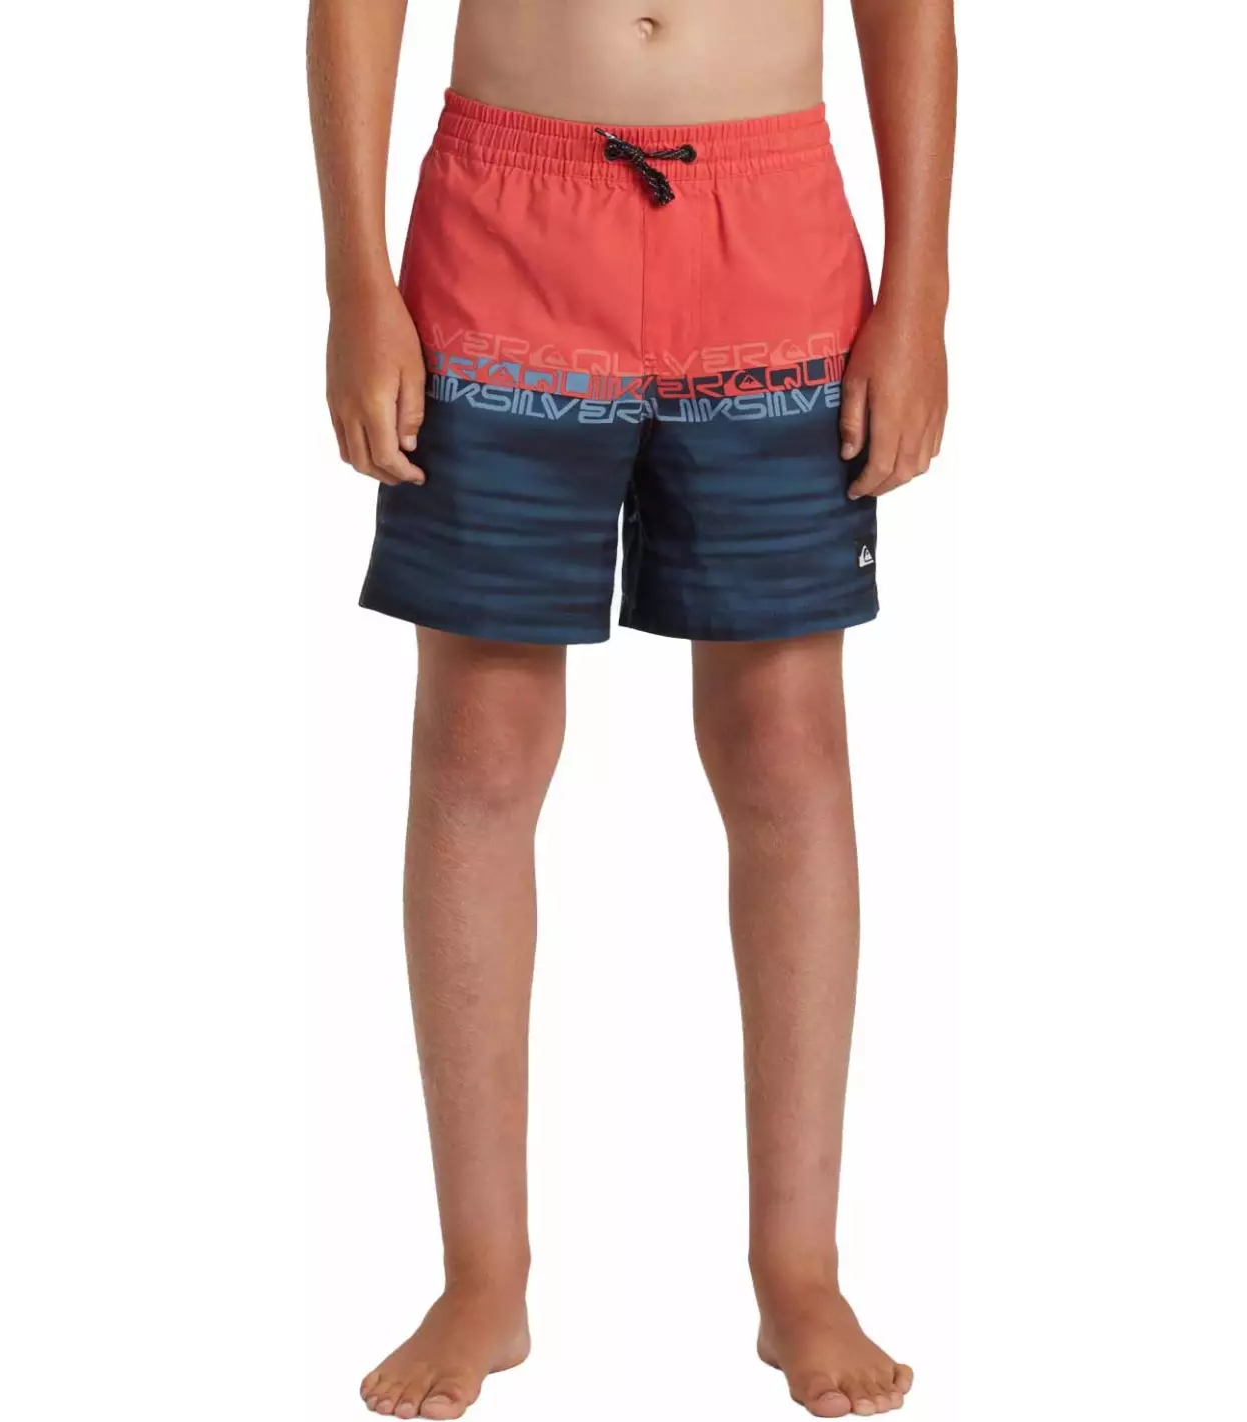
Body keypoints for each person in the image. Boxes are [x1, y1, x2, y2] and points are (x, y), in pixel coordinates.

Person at [306, 2, 955, 1416]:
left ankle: (799, 1267)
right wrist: (355, 278)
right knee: (479, 744)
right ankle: (483, 1271)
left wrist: (922, 295)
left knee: (788, 742)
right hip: (503, 223)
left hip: (771, 226)